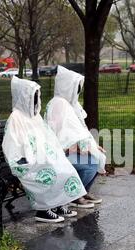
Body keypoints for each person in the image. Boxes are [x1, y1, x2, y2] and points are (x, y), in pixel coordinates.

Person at [2, 76, 87, 223]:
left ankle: (58, 203)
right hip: (26, 160)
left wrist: (55, 152)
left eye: (36, 97)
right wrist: (27, 158)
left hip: (42, 156)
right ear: (24, 97)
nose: (35, 100)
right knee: (51, 171)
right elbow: (12, 145)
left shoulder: (34, 117)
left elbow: (47, 137)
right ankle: (42, 210)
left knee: (64, 167)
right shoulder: (16, 118)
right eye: (32, 97)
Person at [45, 66, 106, 209]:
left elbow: (80, 131)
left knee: (98, 157)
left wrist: (93, 147)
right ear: (68, 86)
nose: (78, 91)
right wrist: (82, 149)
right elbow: (65, 136)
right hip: (59, 153)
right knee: (91, 164)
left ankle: (83, 192)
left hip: (68, 150)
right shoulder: (59, 104)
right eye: (76, 87)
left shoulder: (69, 104)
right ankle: (75, 195)